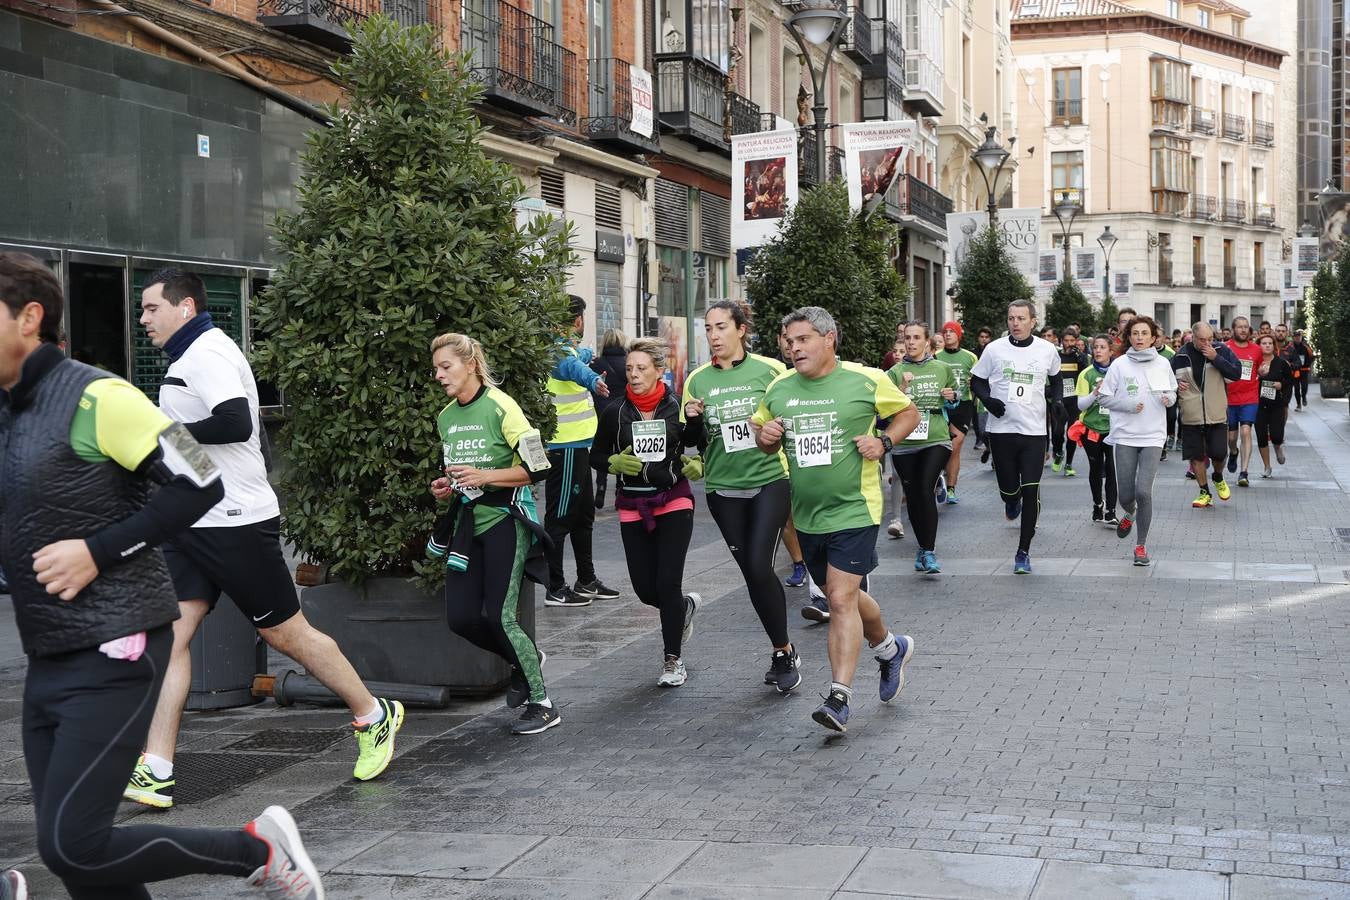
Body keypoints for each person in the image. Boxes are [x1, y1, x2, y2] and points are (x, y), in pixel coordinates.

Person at [0, 253, 324, 899]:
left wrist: (98, 550)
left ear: (29, 318)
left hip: (116, 644)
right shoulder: (13, 411)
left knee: (74, 843)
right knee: (79, 857)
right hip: (52, 650)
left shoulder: (102, 396)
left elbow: (202, 475)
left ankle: (254, 848)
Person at [128, 268, 403, 810]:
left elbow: (235, 424)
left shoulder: (207, 352)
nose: (143, 319)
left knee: (287, 636)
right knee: (170, 637)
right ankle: (156, 767)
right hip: (193, 523)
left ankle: (374, 715)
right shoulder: (188, 356)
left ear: (184, 307)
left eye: (151, 308)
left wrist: (163, 436)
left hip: (235, 521)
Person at [752, 307, 919, 733]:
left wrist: (884, 441)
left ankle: (839, 697)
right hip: (807, 513)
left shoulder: (866, 379)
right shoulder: (779, 388)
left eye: (803, 339)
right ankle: (889, 647)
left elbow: (908, 414)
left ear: (830, 339)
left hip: (855, 507)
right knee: (838, 591)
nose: (794, 347)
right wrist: (766, 438)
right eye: (789, 341)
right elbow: (763, 434)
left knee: (840, 598)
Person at [427, 333, 560, 735]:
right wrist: (445, 488)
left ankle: (543, 704)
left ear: (470, 364)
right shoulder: (446, 417)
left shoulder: (503, 407)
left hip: (506, 520)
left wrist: (488, 476)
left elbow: (539, 467)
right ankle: (527, 656)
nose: (438, 375)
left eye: (445, 367)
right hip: (468, 526)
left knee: (501, 618)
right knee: (462, 618)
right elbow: (459, 473)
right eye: (435, 369)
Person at [682, 301, 801, 693]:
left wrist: (771, 427)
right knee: (753, 571)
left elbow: (791, 417)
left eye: (720, 327)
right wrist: (696, 421)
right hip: (723, 488)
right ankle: (783, 648)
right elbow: (691, 443)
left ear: (741, 330)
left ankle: (783, 654)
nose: (714, 336)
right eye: (708, 329)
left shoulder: (770, 371)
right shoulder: (697, 380)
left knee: (757, 562)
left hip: (770, 479)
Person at [594, 338, 702, 687]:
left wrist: (697, 461)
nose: (634, 375)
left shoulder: (675, 406)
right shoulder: (615, 411)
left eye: (641, 369)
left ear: (659, 371)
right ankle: (682, 608)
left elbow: (697, 441)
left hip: (673, 499)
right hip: (632, 504)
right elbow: (595, 454)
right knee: (645, 589)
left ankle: (673, 661)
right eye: (629, 370)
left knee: (667, 582)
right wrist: (611, 462)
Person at [969, 300, 1062, 574]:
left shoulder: (1047, 350)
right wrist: (988, 401)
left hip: (1034, 432)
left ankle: (1023, 551)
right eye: (1011, 318)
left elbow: (1056, 379)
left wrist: (1056, 402)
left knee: (1031, 488)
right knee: (1009, 491)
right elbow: (976, 380)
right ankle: (1012, 500)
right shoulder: (995, 349)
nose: (1016, 323)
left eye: (1021, 318)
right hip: (1002, 431)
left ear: (1033, 321)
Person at [542, 295, 618, 608]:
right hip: (565, 449)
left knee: (583, 516)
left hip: (579, 449)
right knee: (560, 518)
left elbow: (579, 355)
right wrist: (593, 381)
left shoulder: (567, 347)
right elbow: (573, 368)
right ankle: (554, 587)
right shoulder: (558, 353)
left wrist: (591, 355)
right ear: (577, 321)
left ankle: (586, 580)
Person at [1094, 316, 1176, 566]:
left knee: (1143, 491)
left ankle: (1140, 546)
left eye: (1144, 333)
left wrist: (1169, 399)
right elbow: (1103, 398)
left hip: (1153, 435)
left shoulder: (1163, 364)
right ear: (1129, 337)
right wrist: (1127, 405)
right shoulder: (1119, 365)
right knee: (1126, 496)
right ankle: (1129, 513)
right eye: (1135, 333)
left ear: (1153, 338)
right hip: (1126, 436)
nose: (1139, 337)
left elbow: (1172, 392)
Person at [887, 322, 956, 574]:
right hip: (904, 442)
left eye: (916, 338)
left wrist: (953, 397)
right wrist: (902, 389)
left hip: (935, 437)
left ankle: (929, 551)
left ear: (928, 341)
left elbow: (955, 400)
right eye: (907, 338)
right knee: (914, 495)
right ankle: (922, 547)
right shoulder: (894, 372)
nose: (911, 342)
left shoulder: (943, 368)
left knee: (924, 489)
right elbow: (886, 409)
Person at [1171, 322, 1241, 508]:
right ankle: (1204, 492)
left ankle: (1218, 476)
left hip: (1216, 412)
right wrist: (1175, 386)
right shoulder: (1180, 356)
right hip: (1190, 413)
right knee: (1196, 456)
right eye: (1202, 340)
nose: (1207, 343)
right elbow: (1167, 382)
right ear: (1192, 337)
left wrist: (1216, 358)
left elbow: (1236, 373)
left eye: (1210, 339)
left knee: (1219, 453)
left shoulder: (1221, 350)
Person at [1074, 335, 1117, 526]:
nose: (1098, 351)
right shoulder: (1087, 374)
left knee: (1112, 469)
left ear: (1111, 351)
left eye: (1102, 347)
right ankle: (1097, 504)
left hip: (1114, 429)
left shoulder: (1118, 372)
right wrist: (1095, 392)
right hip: (1091, 428)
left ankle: (1111, 511)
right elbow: (1081, 405)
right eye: (1095, 347)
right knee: (1096, 468)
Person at [935, 321, 979, 504]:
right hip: (941, 404)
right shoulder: (935, 356)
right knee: (938, 445)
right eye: (945, 332)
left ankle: (951, 488)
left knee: (956, 446)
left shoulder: (970, 357)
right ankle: (939, 479)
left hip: (963, 404)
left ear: (959, 335)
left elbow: (979, 380)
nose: (947, 335)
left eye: (952, 332)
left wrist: (973, 384)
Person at [590, 328, 627, 509]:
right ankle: (620, 488)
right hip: (623, 413)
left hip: (602, 413)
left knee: (602, 449)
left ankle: (601, 486)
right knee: (622, 448)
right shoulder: (629, 363)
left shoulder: (596, 363)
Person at [1224, 316, 1263, 488]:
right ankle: (1233, 451)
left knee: (1246, 432)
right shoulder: (1225, 348)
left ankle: (1244, 472)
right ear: (1233, 329)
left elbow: (1262, 368)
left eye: (1246, 327)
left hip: (1249, 397)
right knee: (1231, 437)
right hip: (1229, 398)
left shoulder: (1256, 350)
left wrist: (1263, 371)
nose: (1243, 330)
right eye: (1239, 327)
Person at [1255, 333, 1295, 478]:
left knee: (1277, 436)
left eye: (1270, 343)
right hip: (1258, 404)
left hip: (1276, 405)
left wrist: (1281, 385)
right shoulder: (1255, 363)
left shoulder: (1281, 363)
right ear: (1259, 346)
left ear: (1274, 346)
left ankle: (1278, 447)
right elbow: (1247, 380)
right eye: (1264, 343)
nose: (1267, 345)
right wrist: (1258, 375)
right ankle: (1267, 467)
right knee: (1261, 437)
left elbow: (1289, 381)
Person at [1051, 327, 1088, 476]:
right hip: (1059, 398)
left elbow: (1085, 374)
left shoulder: (1080, 356)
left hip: (1074, 399)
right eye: (1066, 340)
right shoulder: (1056, 356)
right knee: (1058, 431)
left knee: (1072, 432)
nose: (1069, 343)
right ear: (1061, 341)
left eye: (1072, 340)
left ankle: (1068, 464)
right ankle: (1059, 452)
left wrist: (1081, 359)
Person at [1155, 329, 1178, 457]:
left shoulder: (1171, 353)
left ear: (1163, 338)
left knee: (1170, 418)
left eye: (1159, 337)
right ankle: (1161, 448)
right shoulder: (1147, 352)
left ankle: (1169, 436)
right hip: (1154, 392)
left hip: (1168, 391)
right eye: (1155, 336)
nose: (1157, 339)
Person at [973, 326, 993, 461]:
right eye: (982, 337)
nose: (984, 340)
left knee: (993, 427)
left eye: (986, 337)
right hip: (980, 394)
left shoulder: (994, 352)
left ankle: (994, 455)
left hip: (995, 392)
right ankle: (988, 446)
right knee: (981, 427)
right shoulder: (973, 354)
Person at [1288, 329, 1314, 411]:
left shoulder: (1306, 346)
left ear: (1301, 337)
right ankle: (1298, 405)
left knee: (1304, 386)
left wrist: (1308, 364)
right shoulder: (1290, 347)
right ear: (1293, 338)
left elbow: (1311, 356)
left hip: (1304, 370)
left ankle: (1304, 397)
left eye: (1299, 336)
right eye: (1296, 337)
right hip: (1295, 370)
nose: (1297, 338)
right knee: (1296, 388)